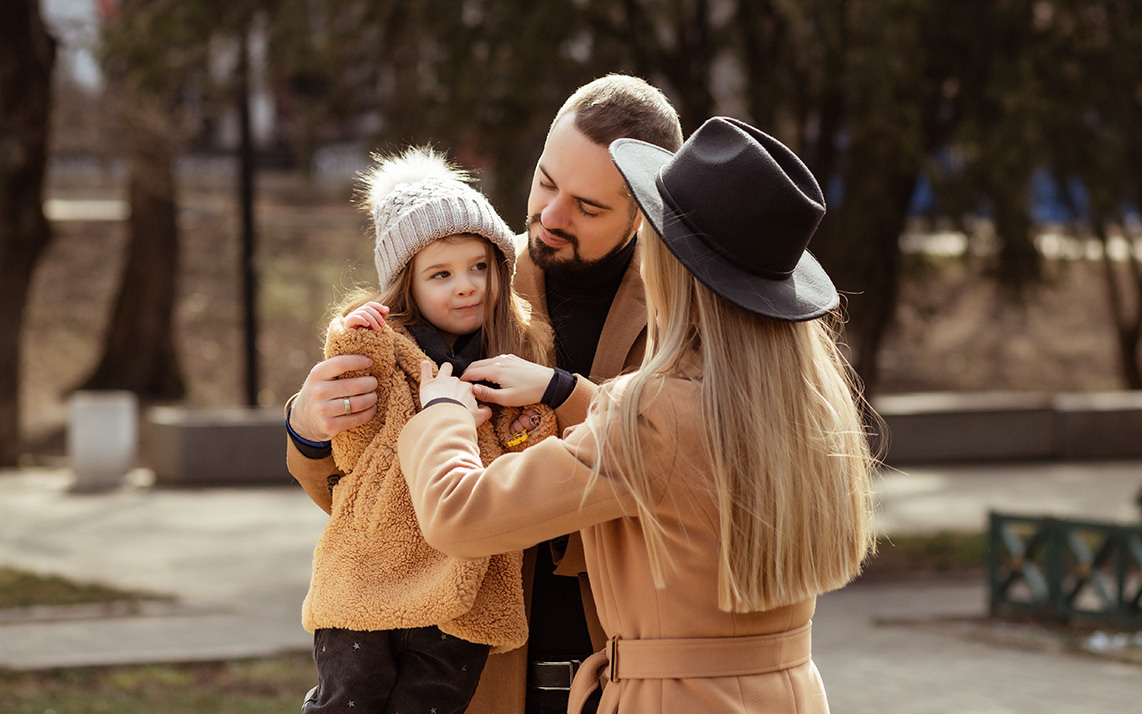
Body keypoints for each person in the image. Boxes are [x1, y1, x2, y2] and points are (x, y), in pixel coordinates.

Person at [398, 116, 878, 712]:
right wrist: (566, 393)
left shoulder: (656, 410)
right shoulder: (807, 396)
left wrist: (441, 414)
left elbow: (458, 514)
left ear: (674, 267)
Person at [286, 74, 684, 713]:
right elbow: (367, 485)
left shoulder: (686, 311)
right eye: (546, 181)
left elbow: (685, 460)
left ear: (644, 210)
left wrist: (566, 395)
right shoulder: (469, 268)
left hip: (620, 664)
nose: (550, 217)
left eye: (587, 206)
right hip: (478, 668)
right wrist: (308, 427)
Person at [296, 146, 557, 714]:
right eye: (440, 274)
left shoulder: (515, 350)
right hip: (371, 563)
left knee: (432, 701)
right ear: (406, 285)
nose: (465, 286)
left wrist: (530, 419)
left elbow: (531, 450)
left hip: (463, 578)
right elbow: (352, 431)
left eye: (479, 268)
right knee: (351, 695)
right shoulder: (390, 351)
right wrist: (355, 332)